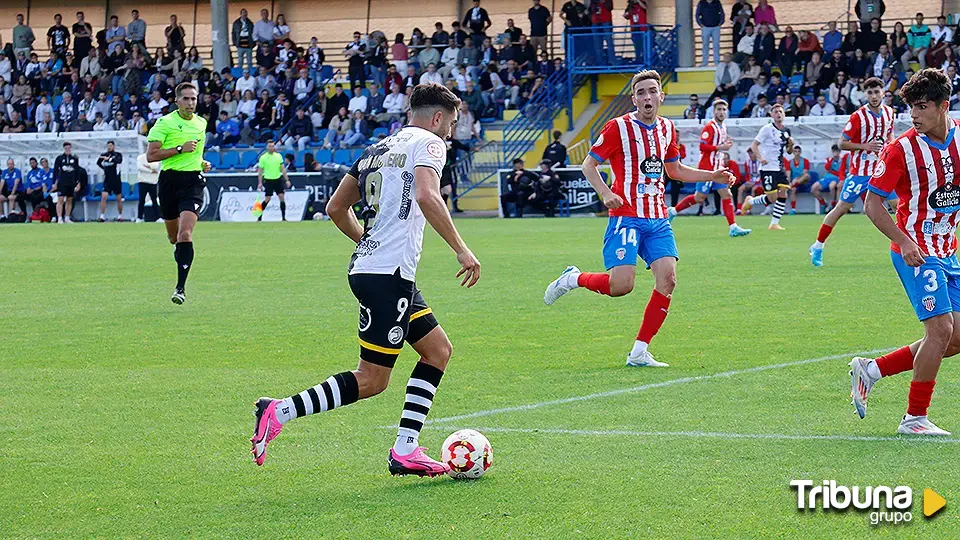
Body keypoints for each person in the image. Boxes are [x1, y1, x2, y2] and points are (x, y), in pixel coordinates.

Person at [249, 83, 481, 476]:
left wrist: (368, 241)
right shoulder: (429, 143)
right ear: (437, 118)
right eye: (452, 123)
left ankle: (405, 450)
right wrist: (461, 247)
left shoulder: (378, 148)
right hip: (387, 275)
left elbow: (336, 207)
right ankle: (279, 411)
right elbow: (427, 195)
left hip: (379, 271)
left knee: (438, 351)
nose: (451, 132)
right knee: (373, 379)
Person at [542, 70, 735, 367]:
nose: (647, 97)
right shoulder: (618, 127)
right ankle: (573, 278)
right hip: (627, 216)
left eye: (652, 91)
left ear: (661, 96)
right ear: (634, 99)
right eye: (641, 92)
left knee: (668, 279)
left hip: (657, 218)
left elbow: (675, 170)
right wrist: (606, 193)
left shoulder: (668, 128)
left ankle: (639, 352)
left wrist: (712, 175)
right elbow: (589, 165)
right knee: (622, 285)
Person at [850, 68, 959, 437]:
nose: (914, 115)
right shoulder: (901, 149)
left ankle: (872, 370)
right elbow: (872, 204)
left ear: (943, 107)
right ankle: (914, 419)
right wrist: (905, 240)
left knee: (955, 337)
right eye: (911, 107)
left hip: (948, 250)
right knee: (941, 330)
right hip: (915, 250)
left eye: (922, 107)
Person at [810, 77, 894, 267]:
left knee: (898, 205)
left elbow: (889, 134)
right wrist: (865, 146)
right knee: (841, 209)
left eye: (876, 92)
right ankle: (818, 246)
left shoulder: (890, 112)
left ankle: (907, 247)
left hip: (881, 170)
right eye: (870, 92)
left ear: (883, 92)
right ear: (865, 94)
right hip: (859, 173)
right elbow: (842, 143)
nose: (873, 96)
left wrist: (889, 147)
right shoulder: (858, 117)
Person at [145, 82, 213, 305]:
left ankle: (180, 288)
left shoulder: (201, 123)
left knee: (185, 235)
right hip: (168, 182)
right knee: (174, 238)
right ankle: (181, 256)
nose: (191, 103)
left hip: (192, 182)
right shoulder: (164, 123)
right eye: (186, 99)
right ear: (177, 101)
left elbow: (196, 152)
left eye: (194, 99)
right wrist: (178, 149)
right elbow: (151, 156)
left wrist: (201, 162)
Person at [668, 100, 751, 237]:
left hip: (718, 167)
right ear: (714, 112)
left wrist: (725, 144)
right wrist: (721, 147)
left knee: (727, 194)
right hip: (707, 168)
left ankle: (733, 227)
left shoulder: (722, 127)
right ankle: (673, 211)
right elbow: (702, 147)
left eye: (724, 109)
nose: (721, 112)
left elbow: (717, 146)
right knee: (699, 198)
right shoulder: (709, 127)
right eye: (719, 109)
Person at [741, 103, 795, 230]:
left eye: (780, 111)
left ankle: (774, 223)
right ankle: (750, 201)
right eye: (775, 112)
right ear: (771, 115)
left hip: (779, 166)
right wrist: (761, 158)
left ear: (784, 114)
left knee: (783, 193)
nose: (778, 114)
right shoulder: (767, 129)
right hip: (767, 168)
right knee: (772, 197)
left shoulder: (786, 131)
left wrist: (791, 145)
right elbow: (754, 145)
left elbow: (789, 152)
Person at [257, 140, 291, 221]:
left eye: (273, 146)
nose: (272, 148)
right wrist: (260, 183)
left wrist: (287, 180)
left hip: (278, 179)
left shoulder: (278, 156)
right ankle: (259, 216)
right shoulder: (263, 158)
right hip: (268, 179)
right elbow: (260, 171)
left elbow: (282, 169)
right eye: (270, 146)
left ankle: (283, 217)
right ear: (267, 147)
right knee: (267, 199)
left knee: (281, 197)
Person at [810, 144, 845, 213]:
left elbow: (841, 171)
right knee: (814, 188)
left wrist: (836, 174)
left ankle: (833, 204)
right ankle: (823, 203)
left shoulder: (842, 160)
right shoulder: (829, 159)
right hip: (827, 177)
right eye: (834, 151)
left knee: (832, 186)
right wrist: (831, 160)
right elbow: (826, 168)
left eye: (837, 151)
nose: (836, 153)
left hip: (836, 178)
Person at [52, 142, 82, 223]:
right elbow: (55, 171)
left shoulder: (74, 159)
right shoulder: (59, 158)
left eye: (69, 148)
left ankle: (67, 217)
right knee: (60, 200)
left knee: (69, 200)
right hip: (62, 182)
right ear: (64, 148)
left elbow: (77, 172)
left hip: (71, 182)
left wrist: (78, 183)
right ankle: (59, 218)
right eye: (66, 148)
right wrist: (54, 183)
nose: (68, 149)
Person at [96, 140, 124, 222]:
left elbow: (118, 160)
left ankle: (120, 216)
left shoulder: (117, 155)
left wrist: (109, 159)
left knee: (118, 198)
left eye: (111, 146)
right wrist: (104, 168)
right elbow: (98, 162)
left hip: (116, 179)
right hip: (107, 179)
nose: (109, 147)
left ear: (114, 146)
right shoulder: (104, 155)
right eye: (108, 146)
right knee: (104, 197)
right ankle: (102, 216)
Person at [696, 0, 725, 67]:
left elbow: (722, 13)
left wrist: (720, 23)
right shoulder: (701, 2)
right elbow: (697, 14)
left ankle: (717, 61)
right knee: (705, 45)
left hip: (716, 27)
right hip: (705, 27)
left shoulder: (717, 2)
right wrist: (701, 24)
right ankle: (705, 62)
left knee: (716, 45)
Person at [784, 145, 810, 214]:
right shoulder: (790, 162)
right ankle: (793, 209)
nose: (797, 153)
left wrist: (797, 179)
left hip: (803, 181)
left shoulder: (805, 161)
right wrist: (789, 181)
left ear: (800, 152)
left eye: (798, 151)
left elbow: (805, 172)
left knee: (806, 175)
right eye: (795, 151)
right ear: (793, 152)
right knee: (793, 189)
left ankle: (792, 185)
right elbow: (788, 173)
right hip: (794, 183)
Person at [136, 151, 160, 223]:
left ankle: (158, 218)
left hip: (153, 182)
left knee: (154, 200)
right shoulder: (140, 157)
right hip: (143, 181)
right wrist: (151, 171)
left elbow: (155, 166)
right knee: (141, 200)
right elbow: (140, 167)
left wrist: (147, 166)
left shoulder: (156, 157)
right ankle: (139, 217)